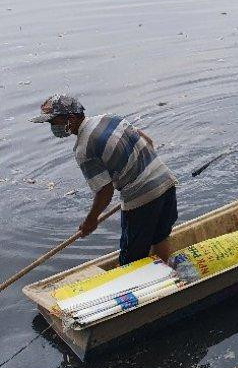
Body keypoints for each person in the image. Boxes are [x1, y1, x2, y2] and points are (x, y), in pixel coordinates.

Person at [31, 95, 178, 266]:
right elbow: (149, 142)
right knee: (159, 237)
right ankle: (172, 271)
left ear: (70, 118)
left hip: (141, 199)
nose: (53, 127)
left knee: (131, 258)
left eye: (53, 122)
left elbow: (105, 192)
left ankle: (139, 287)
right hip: (166, 183)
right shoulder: (110, 118)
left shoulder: (84, 149)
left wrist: (91, 220)